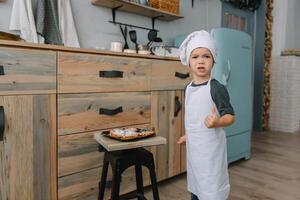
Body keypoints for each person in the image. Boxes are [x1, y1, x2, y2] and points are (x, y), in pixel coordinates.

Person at [177, 30, 235, 200]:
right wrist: (189, 135)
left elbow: (230, 116)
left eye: (206, 56)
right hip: (195, 151)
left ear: (213, 60)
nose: (200, 61)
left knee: (211, 188)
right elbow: (194, 119)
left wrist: (217, 122)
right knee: (196, 185)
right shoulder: (188, 88)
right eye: (195, 57)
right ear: (188, 61)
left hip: (211, 151)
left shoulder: (216, 88)